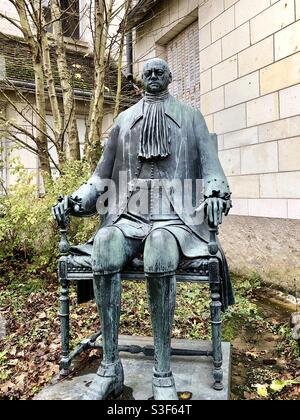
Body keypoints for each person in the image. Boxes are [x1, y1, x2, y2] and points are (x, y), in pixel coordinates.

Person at [52, 58, 234, 400]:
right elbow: (100, 176)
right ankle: (110, 369)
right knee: (105, 242)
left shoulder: (190, 117)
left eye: (159, 71)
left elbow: (213, 169)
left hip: (175, 216)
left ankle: (162, 372)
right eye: (147, 72)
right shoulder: (123, 120)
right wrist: (75, 200)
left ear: (170, 76)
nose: (153, 76)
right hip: (128, 213)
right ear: (140, 79)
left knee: (161, 247)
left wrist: (214, 195)